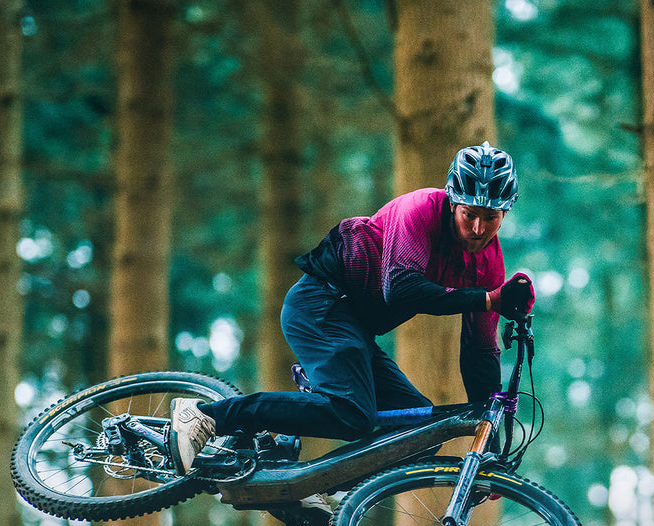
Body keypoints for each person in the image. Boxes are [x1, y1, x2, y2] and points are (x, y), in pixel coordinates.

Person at [169, 141, 534, 481]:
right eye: (469, 214)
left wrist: (491, 448)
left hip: (354, 329)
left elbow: (480, 352)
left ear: (505, 212)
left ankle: (328, 494)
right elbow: (400, 288)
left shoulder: (489, 265)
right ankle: (206, 416)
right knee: (352, 415)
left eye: (491, 217)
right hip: (320, 303)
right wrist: (488, 300)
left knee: (421, 433)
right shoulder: (420, 210)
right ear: (453, 203)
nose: (477, 228)